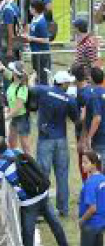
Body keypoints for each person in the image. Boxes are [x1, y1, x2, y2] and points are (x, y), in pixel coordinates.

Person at [0, 136, 70, 246]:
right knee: (55, 224)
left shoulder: (1, 165)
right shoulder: (17, 152)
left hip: (28, 203)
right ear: (7, 145)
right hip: (42, 194)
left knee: (27, 235)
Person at [32, 70, 77, 218]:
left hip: (45, 139)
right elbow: (75, 119)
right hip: (61, 139)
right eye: (68, 82)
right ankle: (63, 208)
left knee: (43, 175)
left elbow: (31, 89)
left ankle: (41, 209)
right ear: (63, 83)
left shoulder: (43, 90)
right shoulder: (69, 99)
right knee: (62, 175)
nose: (69, 84)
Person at [19, 0, 51, 84]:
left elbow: (46, 40)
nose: (29, 9)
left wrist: (31, 38)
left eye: (30, 7)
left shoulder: (41, 22)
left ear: (35, 9)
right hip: (35, 52)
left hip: (42, 53)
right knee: (37, 73)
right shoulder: (34, 19)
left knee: (42, 76)